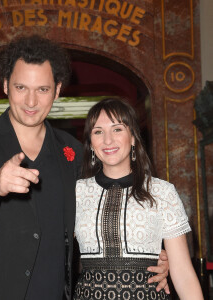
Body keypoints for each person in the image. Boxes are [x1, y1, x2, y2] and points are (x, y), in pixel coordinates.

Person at [0, 35, 169, 300]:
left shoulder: (74, 151)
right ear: (6, 85)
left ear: (57, 90)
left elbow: (106, 206)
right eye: (21, 87)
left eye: (42, 90)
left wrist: (152, 253)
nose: (31, 102)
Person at [74, 97, 204, 299]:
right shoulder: (76, 192)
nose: (108, 140)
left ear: (133, 137)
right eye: (98, 132)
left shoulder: (162, 192)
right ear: (91, 143)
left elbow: (184, 273)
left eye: (117, 129)